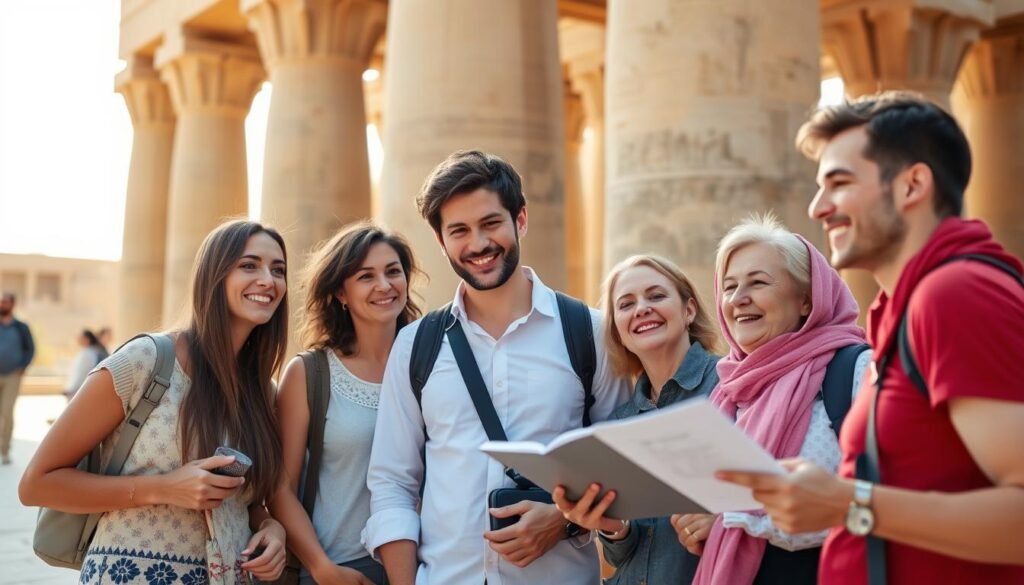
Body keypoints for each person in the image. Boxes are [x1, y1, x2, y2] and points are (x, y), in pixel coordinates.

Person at [718, 93, 1024, 583]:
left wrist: (850, 504)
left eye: (838, 184)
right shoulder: (906, 308)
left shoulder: (955, 294)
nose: (818, 208)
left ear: (912, 185)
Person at [362, 150, 630, 585]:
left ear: (520, 219)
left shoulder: (590, 333)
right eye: (459, 231)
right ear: (441, 240)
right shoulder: (415, 345)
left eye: (491, 224)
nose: (478, 245)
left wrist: (565, 519)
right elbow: (392, 482)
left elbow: (619, 464)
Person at [20, 219, 291, 583]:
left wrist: (271, 527)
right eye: (249, 265)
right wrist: (163, 488)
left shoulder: (264, 392)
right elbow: (36, 483)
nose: (268, 280)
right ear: (214, 276)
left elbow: (246, 501)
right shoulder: (146, 361)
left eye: (278, 270)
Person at [681, 214, 869, 585]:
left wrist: (734, 520)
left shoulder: (857, 370)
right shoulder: (727, 393)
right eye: (729, 287)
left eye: (758, 283)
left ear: (806, 300)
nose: (738, 299)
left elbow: (891, 503)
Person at [551, 254, 722, 585]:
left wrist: (726, 520)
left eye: (656, 296)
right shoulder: (618, 423)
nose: (642, 308)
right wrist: (613, 527)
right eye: (626, 304)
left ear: (689, 310)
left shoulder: (730, 386)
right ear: (617, 330)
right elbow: (623, 554)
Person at [270, 222, 421, 585]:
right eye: (366, 276)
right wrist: (321, 567)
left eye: (393, 272)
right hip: (339, 569)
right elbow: (280, 489)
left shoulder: (432, 366)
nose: (384, 286)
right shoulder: (310, 373)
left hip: (426, 565)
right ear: (341, 291)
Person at [0, 291, 34, 465]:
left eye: (5, 302)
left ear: (12, 304)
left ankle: (4, 450)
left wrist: (22, 366)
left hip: (12, 376)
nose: (2, 304)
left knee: (6, 412)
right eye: (1, 301)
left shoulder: (21, 327)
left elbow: (30, 349)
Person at [64, 329, 109, 401]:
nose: (78, 340)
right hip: (80, 391)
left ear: (87, 339)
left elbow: (82, 374)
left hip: (79, 392)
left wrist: (71, 389)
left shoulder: (88, 354)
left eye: (81, 338)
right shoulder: (89, 352)